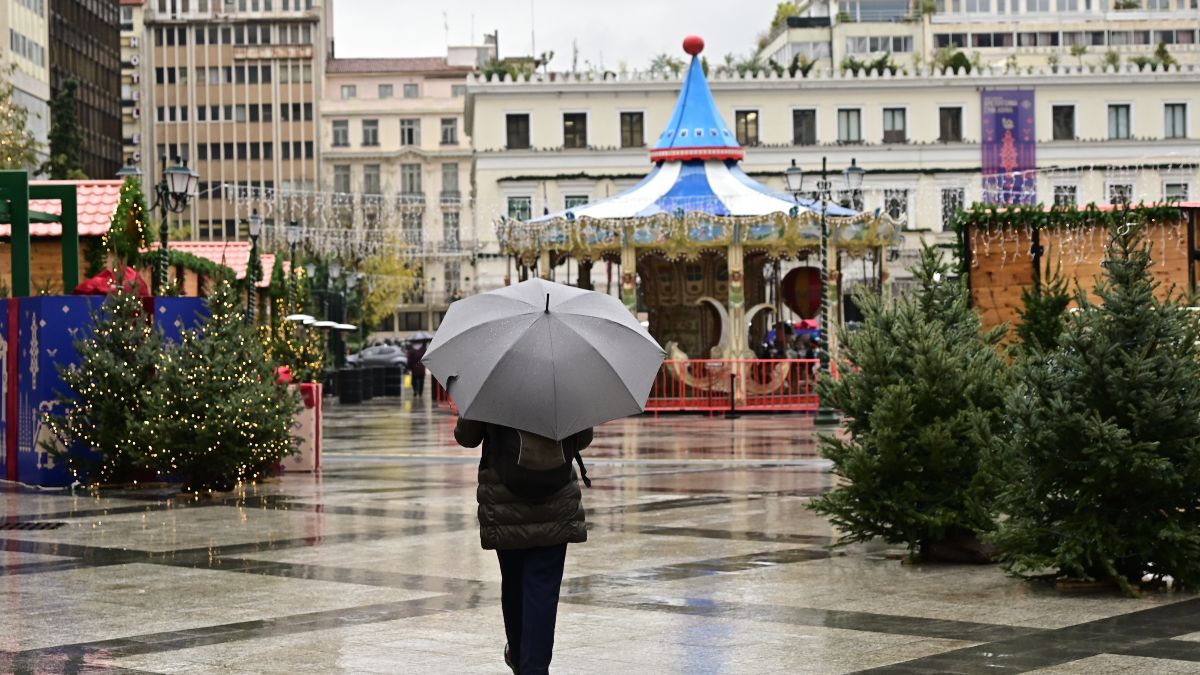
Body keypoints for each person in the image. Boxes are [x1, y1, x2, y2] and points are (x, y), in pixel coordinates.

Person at [454, 418, 591, 675]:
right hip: (556, 502)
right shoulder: (565, 382)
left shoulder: (492, 382)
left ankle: (518, 655)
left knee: (514, 582)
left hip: (506, 502)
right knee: (543, 593)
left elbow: (467, 437)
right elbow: (583, 438)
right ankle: (534, 668)